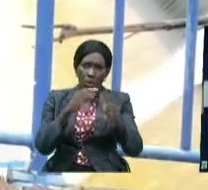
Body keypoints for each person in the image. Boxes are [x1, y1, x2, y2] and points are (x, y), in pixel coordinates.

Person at [34, 39, 144, 173]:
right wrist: (67, 111)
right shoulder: (57, 98)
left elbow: (135, 149)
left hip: (105, 172)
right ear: (76, 68)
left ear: (107, 72)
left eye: (98, 68)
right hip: (63, 170)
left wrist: (118, 121)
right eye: (86, 66)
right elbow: (42, 146)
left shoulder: (120, 101)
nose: (91, 73)